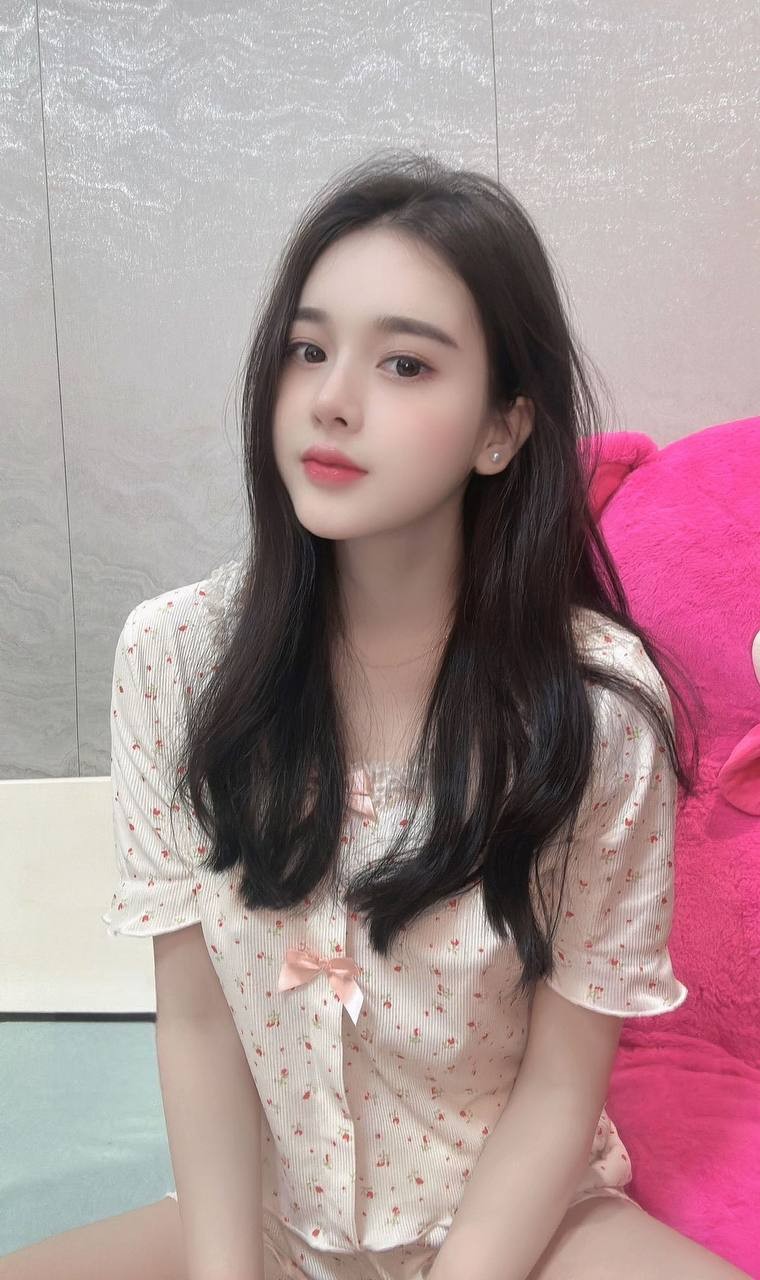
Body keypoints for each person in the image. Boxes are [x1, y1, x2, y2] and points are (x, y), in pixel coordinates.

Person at [1, 152, 749, 1280]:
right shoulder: (175, 659)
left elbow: (562, 1082)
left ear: (502, 429)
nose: (332, 399)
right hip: (265, 1215)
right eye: (308, 350)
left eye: (405, 363)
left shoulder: (594, 713)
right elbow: (197, 1020)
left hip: (513, 1222)